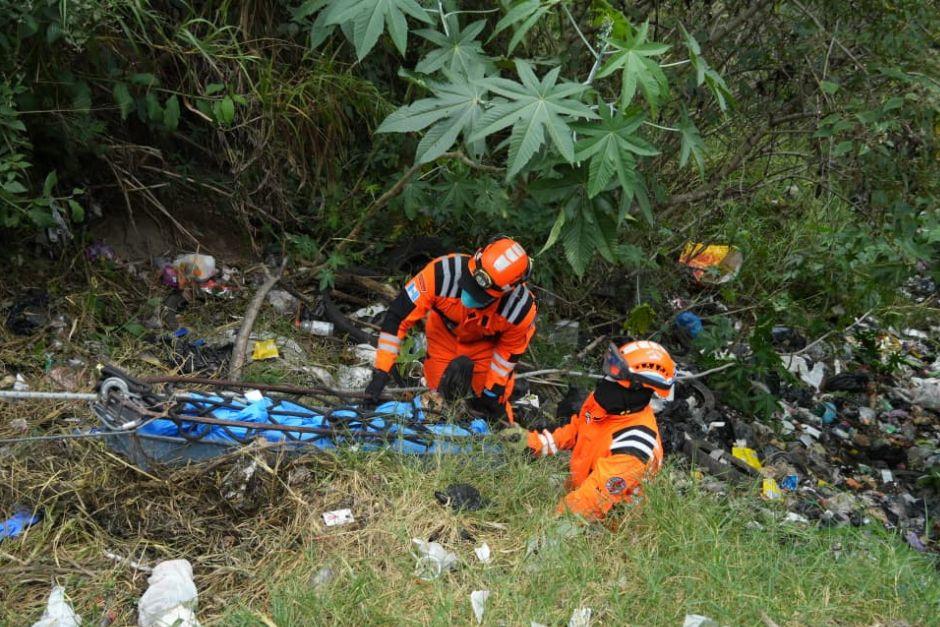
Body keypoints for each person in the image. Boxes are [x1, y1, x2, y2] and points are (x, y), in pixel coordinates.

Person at [364, 237, 536, 421]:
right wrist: (382, 371)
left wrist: (492, 393)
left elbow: (506, 356)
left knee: (491, 411)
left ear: (505, 292)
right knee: (436, 405)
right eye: (470, 284)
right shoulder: (441, 274)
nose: (470, 294)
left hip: (486, 347)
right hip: (444, 336)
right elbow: (398, 317)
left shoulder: (519, 310)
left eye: (480, 294)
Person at [514, 340, 675, 520]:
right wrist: (530, 443)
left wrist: (548, 522)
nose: (607, 381)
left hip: (606, 526)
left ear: (640, 389)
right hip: (580, 494)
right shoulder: (603, 406)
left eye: (617, 378)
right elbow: (578, 429)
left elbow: (592, 500)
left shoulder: (634, 445)